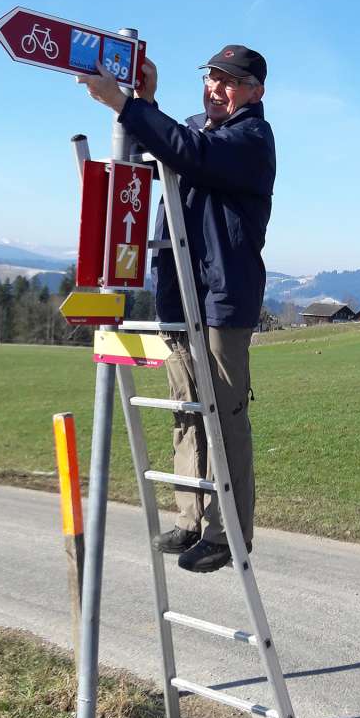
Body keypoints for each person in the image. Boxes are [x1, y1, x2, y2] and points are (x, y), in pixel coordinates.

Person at [77, 44, 275, 573]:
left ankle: (227, 533)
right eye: (211, 77)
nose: (215, 88)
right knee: (187, 408)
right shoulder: (198, 128)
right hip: (179, 293)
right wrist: (146, 100)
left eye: (229, 82)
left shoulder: (251, 139)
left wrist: (125, 103)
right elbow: (163, 146)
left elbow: (190, 152)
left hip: (221, 300)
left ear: (255, 91)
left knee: (226, 418)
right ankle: (190, 515)